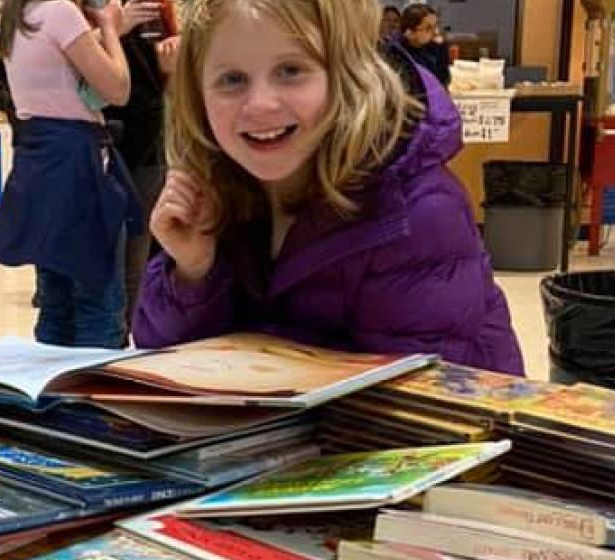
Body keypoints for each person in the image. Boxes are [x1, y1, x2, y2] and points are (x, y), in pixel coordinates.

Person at [131, 0, 523, 375]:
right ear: (197, 97)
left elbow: (419, 405)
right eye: (231, 80)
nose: (261, 104)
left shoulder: (416, 210)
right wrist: (193, 270)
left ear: (346, 76)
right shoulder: (220, 191)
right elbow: (163, 365)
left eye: (291, 70)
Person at [0, 0, 140, 348]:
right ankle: (90, 392)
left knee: (56, 303)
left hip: (39, 163)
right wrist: (112, 28)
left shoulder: (18, 15)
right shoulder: (61, 11)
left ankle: (50, 391)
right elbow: (118, 89)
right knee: (99, 302)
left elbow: (58, 63)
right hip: (77, 168)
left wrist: (102, 31)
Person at [104, 1, 180, 335]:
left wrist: (171, 67)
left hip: (147, 143)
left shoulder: (158, 8)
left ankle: (129, 337)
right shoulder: (81, 10)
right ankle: (106, 338)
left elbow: (168, 84)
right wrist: (112, 30)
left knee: (139, 250)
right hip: (97, 140)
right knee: (100, 257)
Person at [398, 3, 450, 88]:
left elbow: (443, 80)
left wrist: (442, 49)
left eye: (436, 26)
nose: (435, 32)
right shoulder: (397, 53)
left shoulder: (434, 46)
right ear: (409, 32)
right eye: (428, 28)